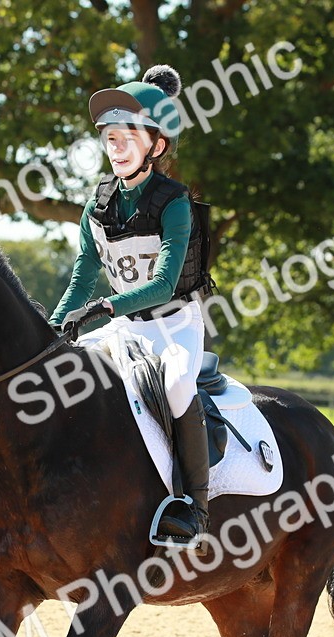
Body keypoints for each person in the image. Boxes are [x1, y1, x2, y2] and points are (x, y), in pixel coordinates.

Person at [49, 64, 213, 546]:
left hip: (173, 325)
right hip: (122, 325)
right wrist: (53, 326)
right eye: (110, 138)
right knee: (61, 372)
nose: (116, 147)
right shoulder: (96, 206)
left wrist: (104, 308)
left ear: (156, 147)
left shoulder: (175, 203)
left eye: (127, 137)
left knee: (178, 385)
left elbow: (163, 285)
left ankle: (195, 508)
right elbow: (83, 276)